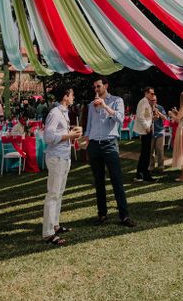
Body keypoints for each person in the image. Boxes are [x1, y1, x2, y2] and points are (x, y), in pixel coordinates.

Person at [81, 78, 136, 227]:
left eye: (98, 86)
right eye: (94, 87)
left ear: (105, 86)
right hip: (94, 145)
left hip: (110, 144)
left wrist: (105, 106)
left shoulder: (116, 100)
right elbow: (89, 125)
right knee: (99, 182)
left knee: (116, 180)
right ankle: (102, 214)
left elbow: (120, 118)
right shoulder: (91, 105)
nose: (96, 89)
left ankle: (124, 216)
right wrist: (87, 141)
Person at [42, 87, 81, 246]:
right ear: (65, 96)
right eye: (72, 95)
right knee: (53, 194)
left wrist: (72, 132)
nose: (73, 97)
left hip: (64, 156)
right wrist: (69, 135)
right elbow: (48, 137)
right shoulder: (55, 113)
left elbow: (60, 133)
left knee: (59, 193)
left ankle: (55, 225)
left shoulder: (64, 113)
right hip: (56, 157)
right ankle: (48, 232)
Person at [133, 87, 159, 182]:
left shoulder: (147, 102)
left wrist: (153, 117)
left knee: (145, 153)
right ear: (146, 93)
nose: (153, 96)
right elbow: (140, 116)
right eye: (151, 94)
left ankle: (141, 174)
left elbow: (147, 116)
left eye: (153, 94)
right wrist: (146, 127)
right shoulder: (143, 102)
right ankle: (144, 175)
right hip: (145, 131)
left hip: (147, 130)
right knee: (145, 154)